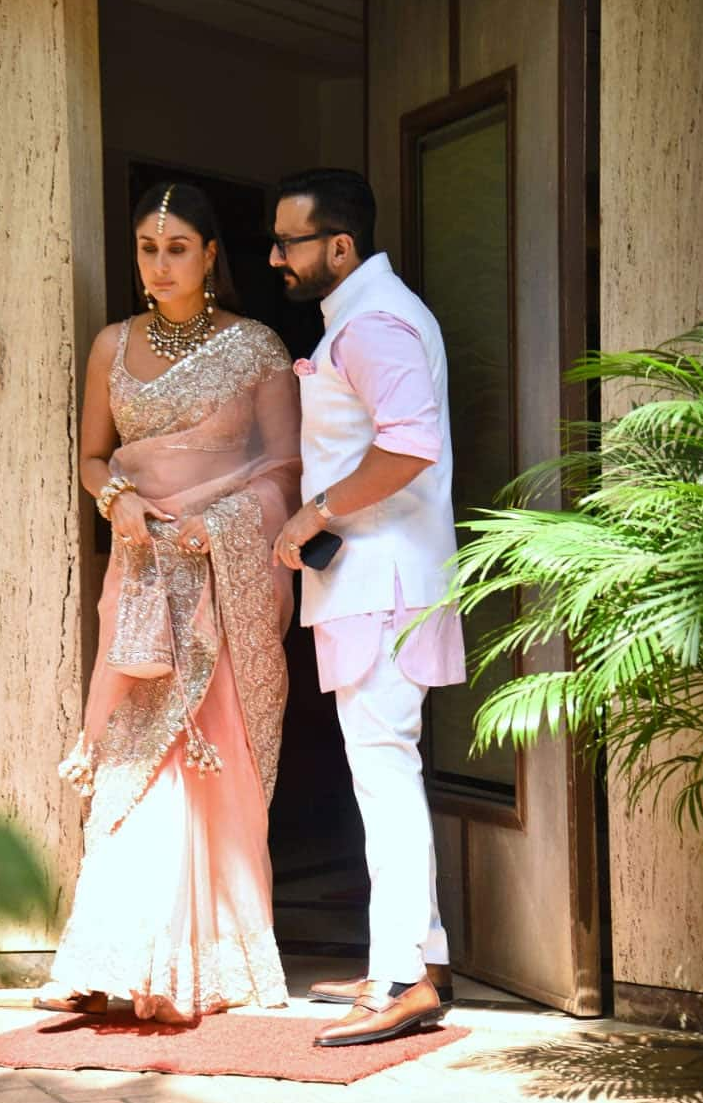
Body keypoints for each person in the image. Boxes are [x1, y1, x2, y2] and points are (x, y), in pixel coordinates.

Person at [36, 182, 301, 1023]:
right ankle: (106, 951)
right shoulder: (111, 343)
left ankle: (202, 964)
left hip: (223, 582)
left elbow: (283, 473)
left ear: (212, 253)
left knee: (204, 759)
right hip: (142, 571)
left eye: (177, 248)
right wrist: (116, 500)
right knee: (128, 755)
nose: (161, 265)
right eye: (149, 250)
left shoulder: (256, 347)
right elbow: (91, 458)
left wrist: (217, 525)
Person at [271, 169, 466, 1047]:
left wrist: (315, 511)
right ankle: (413, 956)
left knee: (383, 774)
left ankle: (399, 978)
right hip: (381, 580)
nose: (274, 256)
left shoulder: (374, 319)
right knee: (385, 770)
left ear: (339, 245)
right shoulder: (369, 312)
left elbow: (411, 446)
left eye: (290, 241)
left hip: (378, 583)